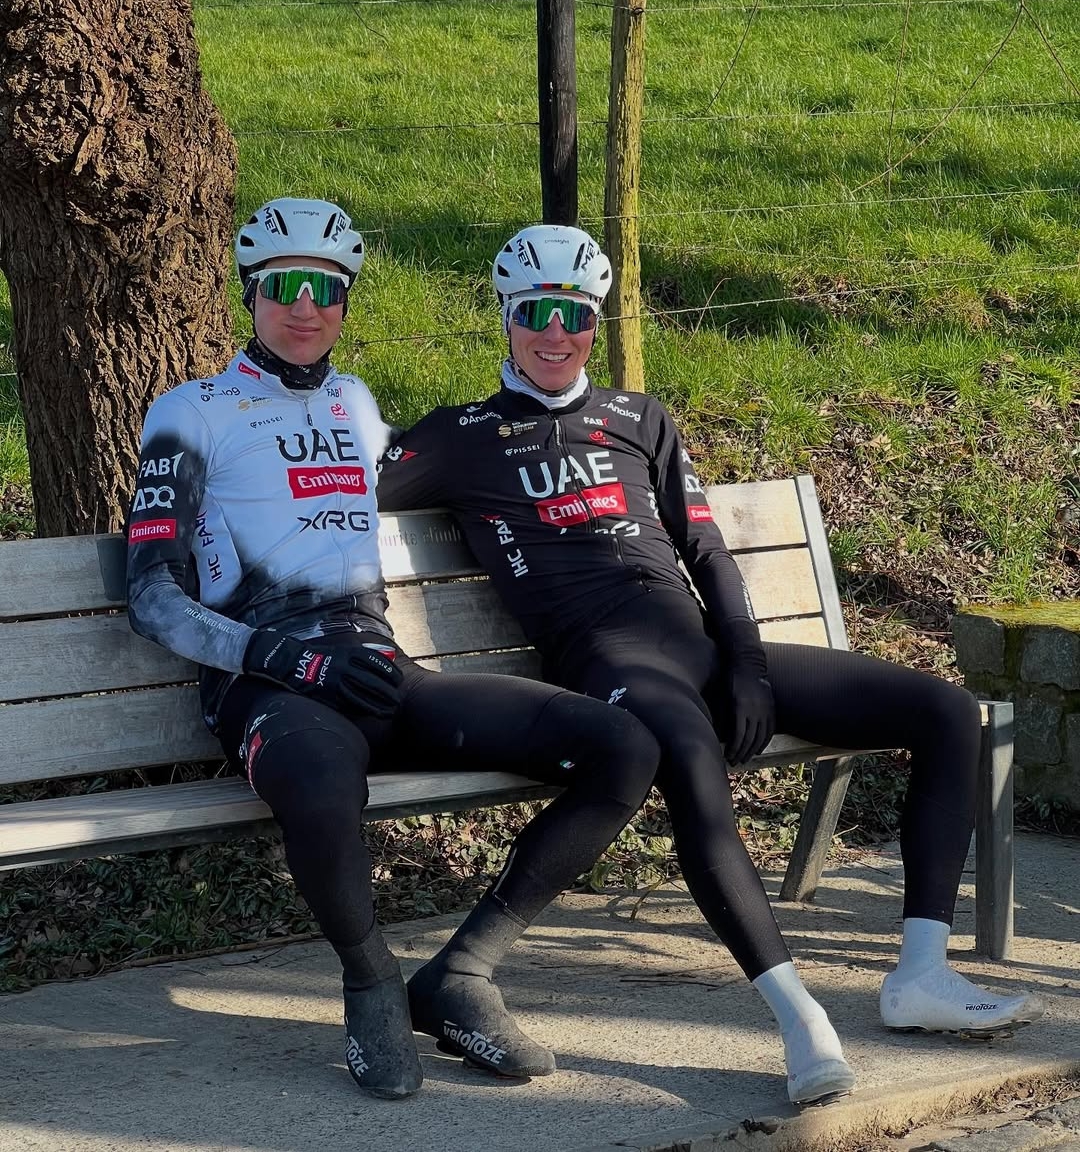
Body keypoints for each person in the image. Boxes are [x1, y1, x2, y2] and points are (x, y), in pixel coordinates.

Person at [377, 223, 1043, 1107]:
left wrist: (748, 667)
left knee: (948, 712)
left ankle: (920, 974)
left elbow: (708, 553)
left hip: (696, 646)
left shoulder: (637, 417)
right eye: (534, 310)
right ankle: (800, 1020)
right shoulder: (460, 436)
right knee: (690, 764)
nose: (554, 331)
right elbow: (334, 494)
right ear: (504, 315)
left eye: (573, 312)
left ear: (595, 318)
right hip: (604, 663)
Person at [125, 201, 661, 1100]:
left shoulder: (355, 404)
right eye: (284, 287)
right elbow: (150, 596)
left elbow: (466, 462)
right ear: (249, 294)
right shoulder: (189, 413)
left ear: (345, 301)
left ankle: (460, 975)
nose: (305, 307)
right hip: (268, 684)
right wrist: (282, 660)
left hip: (378, 669)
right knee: (322, 778)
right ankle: (371, 980)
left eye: (326, 289)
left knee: (625, 745)